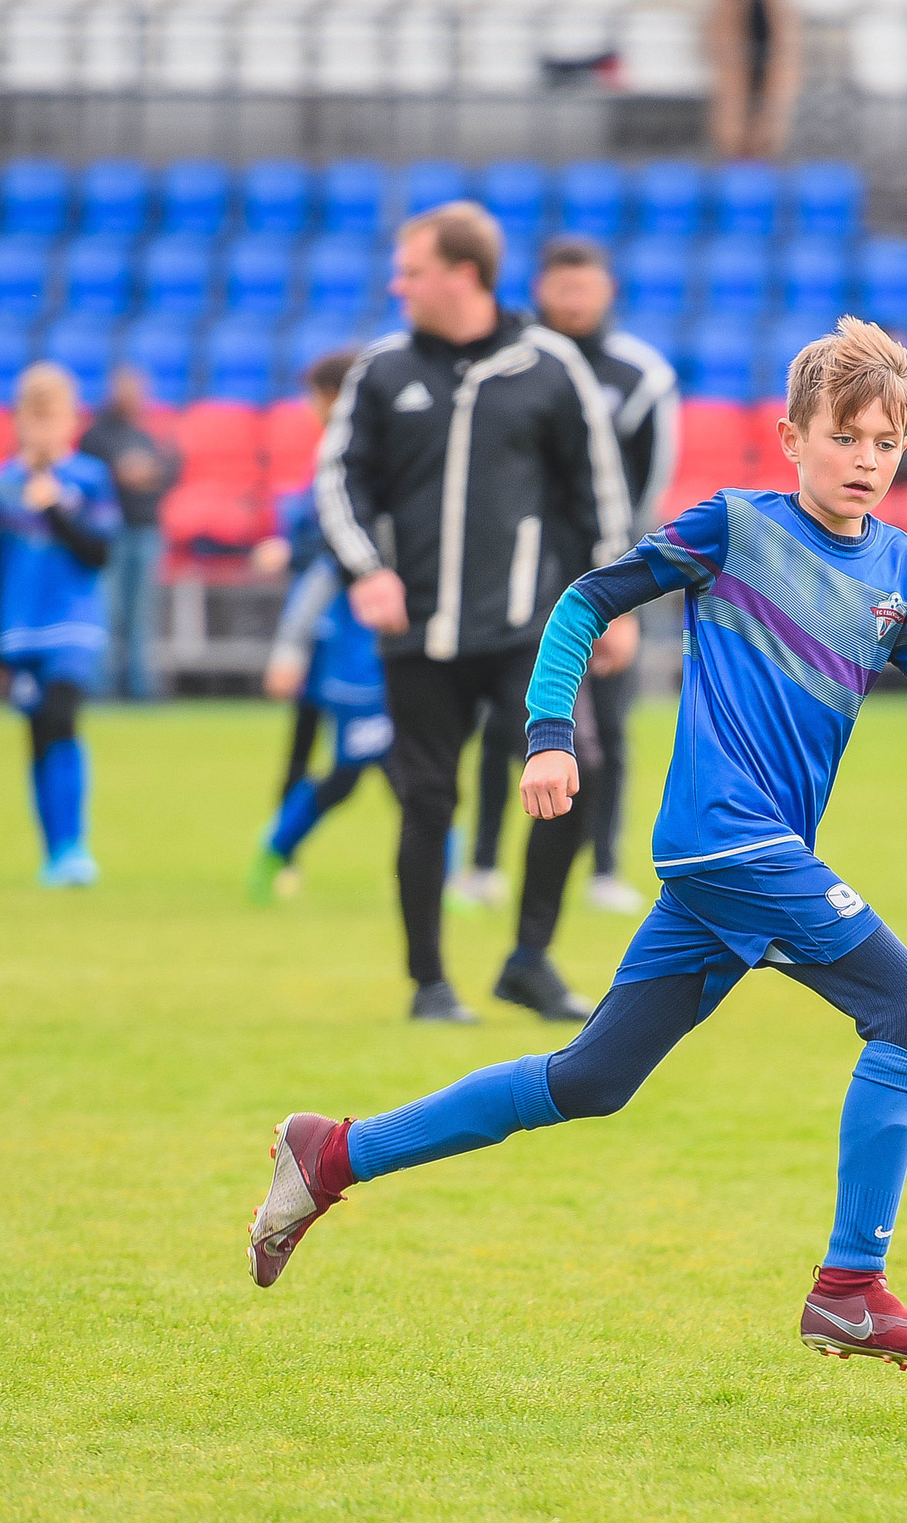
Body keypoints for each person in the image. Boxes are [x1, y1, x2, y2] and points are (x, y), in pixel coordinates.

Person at [247, 318, 907, 1377]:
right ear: (792, 438)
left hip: (742, 865)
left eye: (886, 442)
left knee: (591, 1078)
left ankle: (333, 1152)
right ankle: (849, 1288)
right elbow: (583, 602)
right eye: (845, 437)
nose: (865, 461)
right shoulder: (735, 528)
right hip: (727, 842)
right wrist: (550, 735)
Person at [314, 200, 633, 1024]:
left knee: (581, 770)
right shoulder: (381, 370)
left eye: (411, 270)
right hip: (415, 631)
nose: (397, 285)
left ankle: (529, 958)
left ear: (463, 274)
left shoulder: (549, 365)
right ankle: (429, 983)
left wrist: (616, 601)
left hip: (531, 627)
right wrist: (367, 570)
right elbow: (336, 478)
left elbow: (599, 494)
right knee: (427, 799)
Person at [462, 237, 681, 918]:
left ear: (609, 290)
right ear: (541, 288)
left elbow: (650, 484)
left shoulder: (641, 376)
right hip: (519, 577)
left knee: (609, 730)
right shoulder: (507, 365)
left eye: (586, 287)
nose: (574, 300)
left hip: (609, 577)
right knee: (509, 721)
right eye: (562, 287)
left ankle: (606, 866)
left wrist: (628, 583)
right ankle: (482, 862)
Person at [249, 353, 397, 904]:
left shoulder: (374, 460)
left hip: (379, 643)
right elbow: (328, 561)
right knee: (350, 767)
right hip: (345, 644)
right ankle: (276, 851)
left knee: (387, 772)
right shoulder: (341, 470)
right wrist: (290, 644)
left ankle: (277, 851)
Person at [0, 362, 119, 888]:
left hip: (73, 624)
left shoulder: (88, 478)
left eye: (52, 417)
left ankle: (75, 845)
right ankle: (54, 850)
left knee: (63, 718)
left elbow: (99, 553)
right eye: (33, 418)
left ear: (70, 420)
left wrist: (56, 508)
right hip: (21, 629)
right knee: (37, 734)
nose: (42, 429)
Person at [78, 364, 180, 703]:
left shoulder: (145, 435)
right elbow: (103, 477)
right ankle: (101, 688)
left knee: (141, 615)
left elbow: (166, 471)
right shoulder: (96, 435)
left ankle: (140, 688)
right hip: (111, 534)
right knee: (111, 611)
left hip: (146, 529)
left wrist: (145, 474)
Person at [705, 0, 801, 160]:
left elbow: (788, 56)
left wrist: (771, 116)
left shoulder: (781, 11)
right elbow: (724, 55)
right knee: (734, 136)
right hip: (735, 89)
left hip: (769, 84)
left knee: (765, 138)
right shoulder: (727, 10)